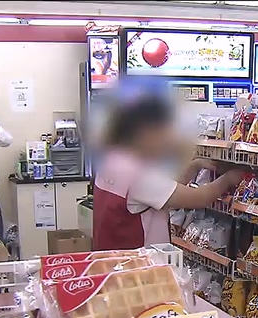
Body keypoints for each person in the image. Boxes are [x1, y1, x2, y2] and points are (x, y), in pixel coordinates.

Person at [92, 93, 245, 250]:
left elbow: (165, 192)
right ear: (145, 133)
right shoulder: (139, 173)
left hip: (110, 258)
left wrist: (194, 166)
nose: (167, 141)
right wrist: (227, 179)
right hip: (139, 261)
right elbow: (198, 198)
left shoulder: (112, 160)